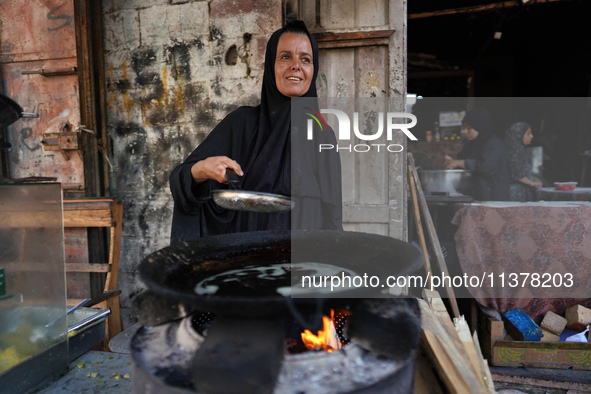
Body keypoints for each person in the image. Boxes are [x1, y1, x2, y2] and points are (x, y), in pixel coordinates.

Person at [169, 20, 342, 244]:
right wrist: (203, 169)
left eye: (305, 59)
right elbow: (180, 180)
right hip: (248, 267)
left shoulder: (322, 135)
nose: (296, 66)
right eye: (286, 57)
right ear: (271, 65)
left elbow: (333, 218)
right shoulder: (241, 125)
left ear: (313, 69)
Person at [444, 107, 509, 201]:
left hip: (492, 197)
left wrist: (461, 163)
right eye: (463, 128)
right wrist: (452, 163)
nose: (465, 131)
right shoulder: (471, 145)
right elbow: (462, 161)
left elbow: (486, 167)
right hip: (474, 195)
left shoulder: (494, 144)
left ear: (480, 126)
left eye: (468, 128)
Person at [504, 122, 542, 201]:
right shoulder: (514, 150)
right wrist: (532, 183)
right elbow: (516, 174)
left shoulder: (519, 149)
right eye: (528, 134)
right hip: (516, 192)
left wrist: (533, 178)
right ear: (519, 135)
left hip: (522, 190)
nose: (531, 136)